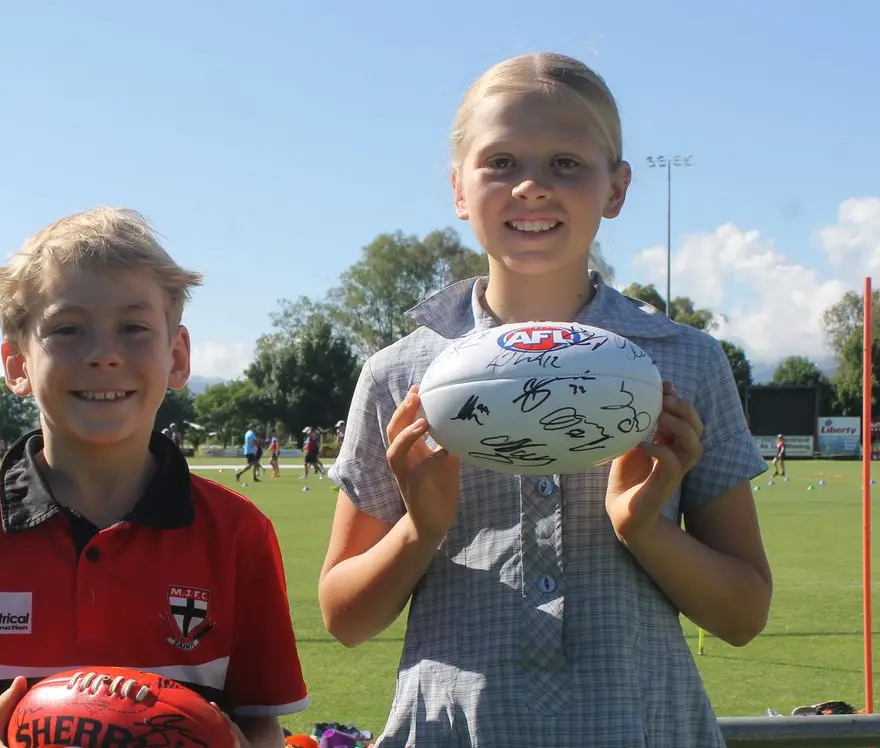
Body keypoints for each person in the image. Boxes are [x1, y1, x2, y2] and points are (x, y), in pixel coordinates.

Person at [317, 53, 772, 747]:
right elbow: (345, 617)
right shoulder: (399, 374)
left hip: (641, 728)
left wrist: (646, 528)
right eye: (500, 162)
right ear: (459, 190)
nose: (531, 186)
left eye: (567, 164)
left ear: (616, 189)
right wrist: (422, 528)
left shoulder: (684, 362)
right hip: (454, 731)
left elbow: (743, 615)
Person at [0, 207, 309, 748]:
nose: (103, 355)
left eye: (134, 327)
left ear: (178, 356)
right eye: (67, 330)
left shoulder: (239, 534)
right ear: (16, 364)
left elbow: (262, 724)